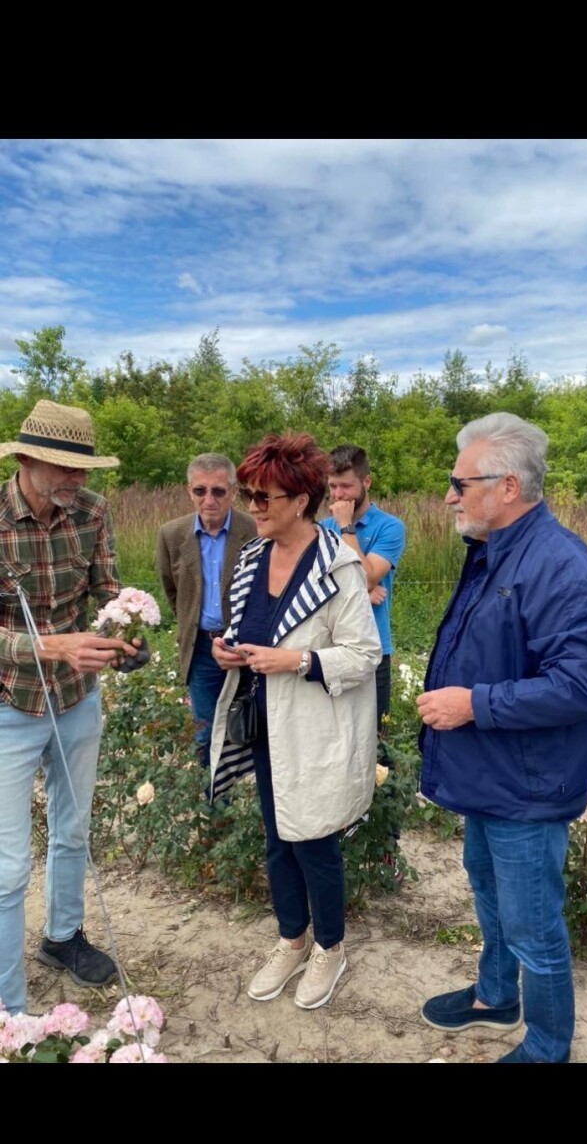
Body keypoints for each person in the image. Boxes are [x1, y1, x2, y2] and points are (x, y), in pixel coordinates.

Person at [416, 412, 587, 1063]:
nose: (448, 495)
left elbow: (579, 687)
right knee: (486, 885)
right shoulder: (492, 550)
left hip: (526, 786)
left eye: (458, 482)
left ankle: (546, 1046)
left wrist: (473, 703)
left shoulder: (560, 566)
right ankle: (495, 994)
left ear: (506, 486)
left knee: (533, 923)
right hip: (490, 773)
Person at [208, 433, 381, 1010]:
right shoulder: (253, 558)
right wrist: (227, 650)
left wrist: (300, 661)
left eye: (264, 497)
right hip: (263, 724)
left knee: (314, 841)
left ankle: (330, 947)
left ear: (301, 501)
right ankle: (292, 937)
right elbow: (244, 630)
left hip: (314, 729)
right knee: (278, 837)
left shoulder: (339, 566)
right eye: (248, 494)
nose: (252, 506)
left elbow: (364, 655)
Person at [0, 399, 142, 1015]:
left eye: (84, 469)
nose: (78, 481)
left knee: (73, 831)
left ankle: (62, 937)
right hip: (8, 704)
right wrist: (47, 646)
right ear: (27, 459)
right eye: (65, 468)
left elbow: (107, 589)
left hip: (77, 700)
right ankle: (8, 1008)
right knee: (7, 866)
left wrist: (125, 632)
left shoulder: (92, 510)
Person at [156, 455, 256, 768]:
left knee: (253, 724)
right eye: (200, 491)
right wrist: (190, 623)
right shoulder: (172, 534)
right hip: (201, 647)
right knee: (206, 731)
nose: (209, 499)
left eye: (218, 491)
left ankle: (253, 800)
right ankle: (216, 810)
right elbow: (172, 589)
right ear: (189, 491)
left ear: (233, 492)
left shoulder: (253, 530)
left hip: (247, 644)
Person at [322, 444, 406, 734]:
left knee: (374, 739)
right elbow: (313, 584)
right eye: (333, 486)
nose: (338, 495)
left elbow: (367, 578)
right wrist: (362, 593)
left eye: (346, 486)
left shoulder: (390, 528)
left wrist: (346, 527)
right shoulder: (321, 528)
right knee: (334, 735)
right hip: (329, 646)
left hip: (373, 647)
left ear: (366, 482)